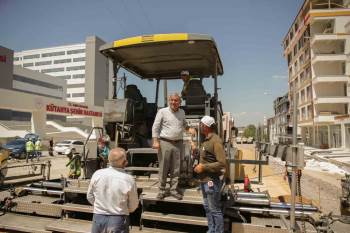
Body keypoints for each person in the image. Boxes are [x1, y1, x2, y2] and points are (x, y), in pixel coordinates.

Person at [152, 93, 195, 200]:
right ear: (169, 101)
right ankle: (161, 190)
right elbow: (155, 127)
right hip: (165, 142)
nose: (173, 102)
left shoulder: (182, 112)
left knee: (176, 168)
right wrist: (155, 141)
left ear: (180, 102)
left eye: (176, 101)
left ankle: (173, 190)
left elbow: (184, 124)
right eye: (171, 100)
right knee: (164, 168)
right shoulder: (162, 111)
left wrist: (189, 129)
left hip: (179, 143)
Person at [87, 148, 139, 233]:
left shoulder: (97, 174)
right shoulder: (129, 179)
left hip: (98, 217)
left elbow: (90, 196)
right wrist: (123, 209)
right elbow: (133, 205)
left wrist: (101, 206)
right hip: (119, 219)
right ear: (124, 162)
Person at [193, 116, 226, 233]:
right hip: (204, 181)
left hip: (211, 181)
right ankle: (211, 230)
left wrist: (203, 167)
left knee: (215, 210)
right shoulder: (206, 140)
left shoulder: (215, 141)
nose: (200, 127)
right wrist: (196, 151)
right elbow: (207, 157)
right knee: (208, 208)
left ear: (206, 126)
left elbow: (222, 163)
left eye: (201, 125)